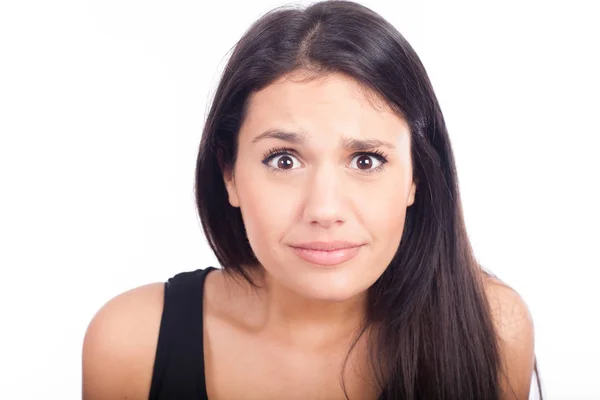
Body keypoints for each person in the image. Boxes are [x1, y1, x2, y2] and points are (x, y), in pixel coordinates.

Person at [82, 1, 542, 399]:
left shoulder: (494, 330)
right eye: (284, 160)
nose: (324, 210)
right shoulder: (131, 343)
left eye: (365, 160)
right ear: (230, 175)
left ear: (416, 177)